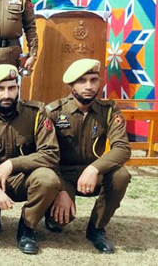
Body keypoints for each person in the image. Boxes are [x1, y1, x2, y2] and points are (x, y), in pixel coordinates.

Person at [0, 64, 60, 255]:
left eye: (12, 88)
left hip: (22, 178)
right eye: (0, 89)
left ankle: (27, 228)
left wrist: (12, 164)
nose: (7, 94)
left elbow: (50, 153)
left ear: (18, 88)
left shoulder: (36, 113)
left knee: (48, 179)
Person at [45, 59, 131, 253]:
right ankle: (52, 214)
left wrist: (94, 169)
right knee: (60, 221)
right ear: (71, 85)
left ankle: (96, 229)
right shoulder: (54, 112)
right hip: (62, 174)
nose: (89, 86)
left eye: (94, 80)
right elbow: (46, 155)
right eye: (82, 81)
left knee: (121, 175)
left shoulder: (109, 110)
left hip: (93, 173)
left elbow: (122, 148)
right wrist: (61, 190)